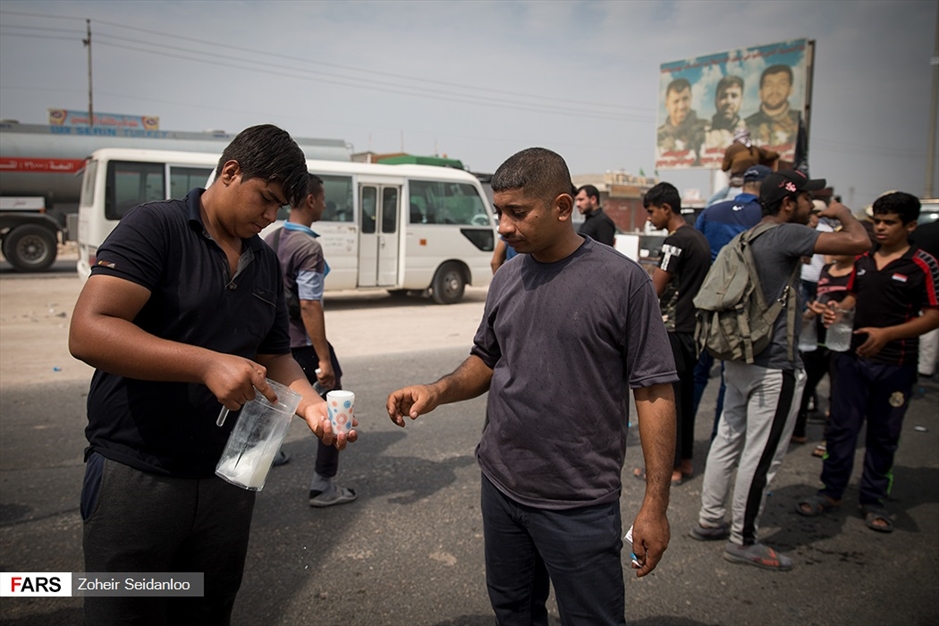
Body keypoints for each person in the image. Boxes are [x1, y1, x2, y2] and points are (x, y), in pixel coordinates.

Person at [69, 124, 357, 624]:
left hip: (232, 473)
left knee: (206, 607)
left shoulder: (264, 260)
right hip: (139, 472)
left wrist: (311, 407)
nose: (270, 217)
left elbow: (275, 355)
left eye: (279, 206)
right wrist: (205, 363)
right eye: (265, 200)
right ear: (230, 172)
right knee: (123, 612)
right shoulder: (154, 227)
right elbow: (89, 331)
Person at [386, 147, 678, 625]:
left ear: (562, 207)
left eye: (517, 213)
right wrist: (436, 391)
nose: (502, 226)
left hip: (578, 503)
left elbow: (654, 393)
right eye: (499, 211)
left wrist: (655, 505)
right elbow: (486, 359)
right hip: (501, 487)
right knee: (514, 611)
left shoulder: (623, 283)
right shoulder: (507, 279)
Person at [690, 170, 870, 571]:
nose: (813, 204)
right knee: (760, 455)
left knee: (727, 441)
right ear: (788, 202)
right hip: (773, 366)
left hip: (738, 357)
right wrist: (841, 212)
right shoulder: (785, 235)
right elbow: (860, 242)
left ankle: (710, 519)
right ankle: (743, 540)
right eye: (807, 198)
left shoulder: (747, 237)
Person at [796, 192, 939, 533]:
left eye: (890, 223)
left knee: (883, 435)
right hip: (850, 359)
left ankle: (873, 498)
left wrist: (889, 334)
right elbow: (853, 295)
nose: (881, 229)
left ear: (910, 226)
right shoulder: (863, 258)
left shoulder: (923, 264)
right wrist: (837, 310)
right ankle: (831, 491)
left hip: (895, 363)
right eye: (877, 222)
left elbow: (933, 315)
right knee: (841, 428)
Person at [265, 174, 357, 507]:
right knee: (336, 411)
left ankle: (266, 455)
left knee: (273, 401)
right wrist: (324, 358)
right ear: (310, 201)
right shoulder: (308, 247)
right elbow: (308, 304)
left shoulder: (272, 238)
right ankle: (323, 485)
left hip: (273, 341)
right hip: (302, 344)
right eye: (323, 198)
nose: (325, 204)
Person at [692, 164, 772, 439]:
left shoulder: (712, 211)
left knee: (696, 376)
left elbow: (698, 252)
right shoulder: (765, 218)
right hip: (741, 311)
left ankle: (683, 449)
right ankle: (719, 441)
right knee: (731, 380)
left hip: (706, 304)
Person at [641, 182, 711, 486]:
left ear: (666, 209)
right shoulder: (698, 238)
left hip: (672, 328)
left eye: (651, 212)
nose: (649, 219)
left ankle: (669, 469)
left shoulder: (675, 242)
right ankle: (685, 461)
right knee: (685, 399)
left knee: (670, 403)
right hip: (693, 329)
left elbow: (655, 288)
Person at [744, 64, 802, 151]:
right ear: (760, 92)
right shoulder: (746, 125)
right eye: (769, 85)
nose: (775, 90)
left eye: (782, 84)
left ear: (790, 89)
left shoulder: (799, 120)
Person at [658, 78, 708, 165]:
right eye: (676, 101)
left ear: (691, 98)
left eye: (685, 99)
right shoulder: (658, 136)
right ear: (667, 104)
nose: (681, 106)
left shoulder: (707, 129)